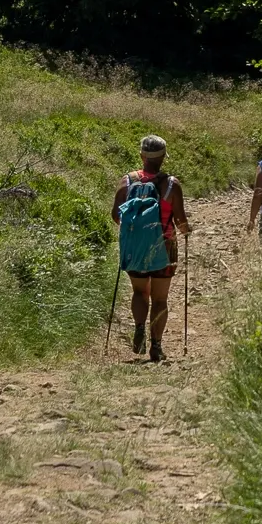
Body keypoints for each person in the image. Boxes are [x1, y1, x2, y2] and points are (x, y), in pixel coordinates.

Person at [111, 134, 190, 361]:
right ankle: (156, 345)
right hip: (164, 246)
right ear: (163, 157)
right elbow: (181, 222)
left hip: (135, 248)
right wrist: (186, 230)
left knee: (139, 291)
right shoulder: (172, 185)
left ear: (142, 155)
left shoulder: (127, 181)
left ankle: (138, 329)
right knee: (160, 299)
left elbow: (116, 216)